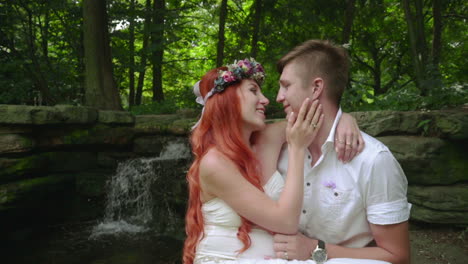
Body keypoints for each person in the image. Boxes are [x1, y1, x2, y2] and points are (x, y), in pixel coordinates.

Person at [182, 58, 387, 264]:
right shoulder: (214, 163)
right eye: (253, 91)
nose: (266, 100)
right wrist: (297, 149)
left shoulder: (267, 137)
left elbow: (319, 119)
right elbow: (287, 223)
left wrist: (345, 119)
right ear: (228, 100)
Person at [272, 40, 411, 264]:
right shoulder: (277, 147)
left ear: (316, 88)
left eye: (286, 86)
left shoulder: (373, 160)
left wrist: (315, 249)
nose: (278, 97)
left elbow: (398, 256)